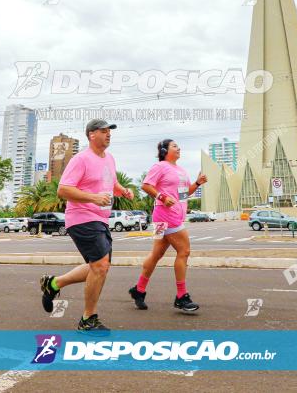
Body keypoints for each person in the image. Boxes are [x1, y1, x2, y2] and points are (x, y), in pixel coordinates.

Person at [39, 119, 133, 333]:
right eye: (103, 131)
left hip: (100, 219)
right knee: (100, 266)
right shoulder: (81, 159)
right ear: (91, 135)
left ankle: (53, 284)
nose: (108, 134)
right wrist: (93, 198)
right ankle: (88, 319)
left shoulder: (109, 158)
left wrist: (123, 190)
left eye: (110, 131)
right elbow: (63, 190)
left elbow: (112, 184)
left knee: (98, 266)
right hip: (81, 218)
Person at [129, 139, 207, 313]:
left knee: (156, 254)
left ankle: (139, 290)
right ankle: (181, 296)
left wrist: (198, 183)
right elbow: (146, 185)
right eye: (174, 146)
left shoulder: (181, 170)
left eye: (179, 145)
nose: (179, 148)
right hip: (165, 215)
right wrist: (162, 197)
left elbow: (183, 194)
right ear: (165, 150)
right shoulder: (160, 166)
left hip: (168, 217)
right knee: (184, 251)